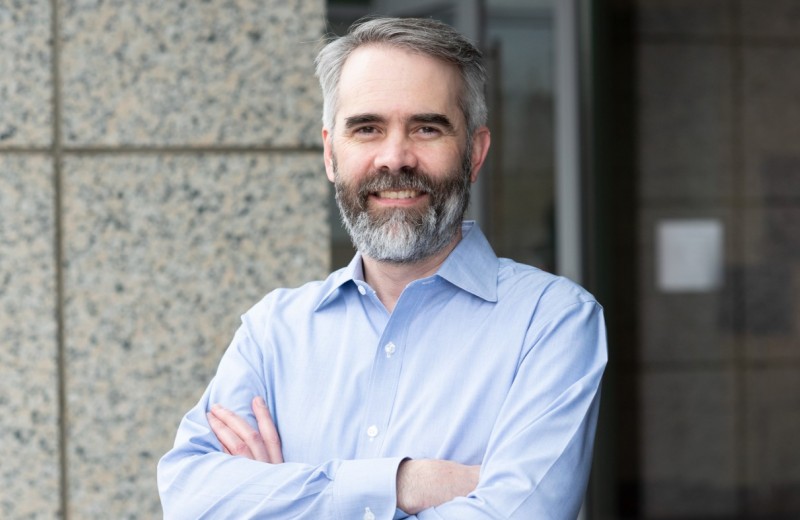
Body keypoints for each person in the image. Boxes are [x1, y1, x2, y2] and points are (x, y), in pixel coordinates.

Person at [158, 16, 607, 520]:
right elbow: (189, 498)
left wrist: (281, 493)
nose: (395, 158)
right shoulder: (273, 331)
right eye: (367, 128)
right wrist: (404, 482)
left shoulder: (551, 322)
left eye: (426, 128)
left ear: (474, 154)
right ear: (331, 153)